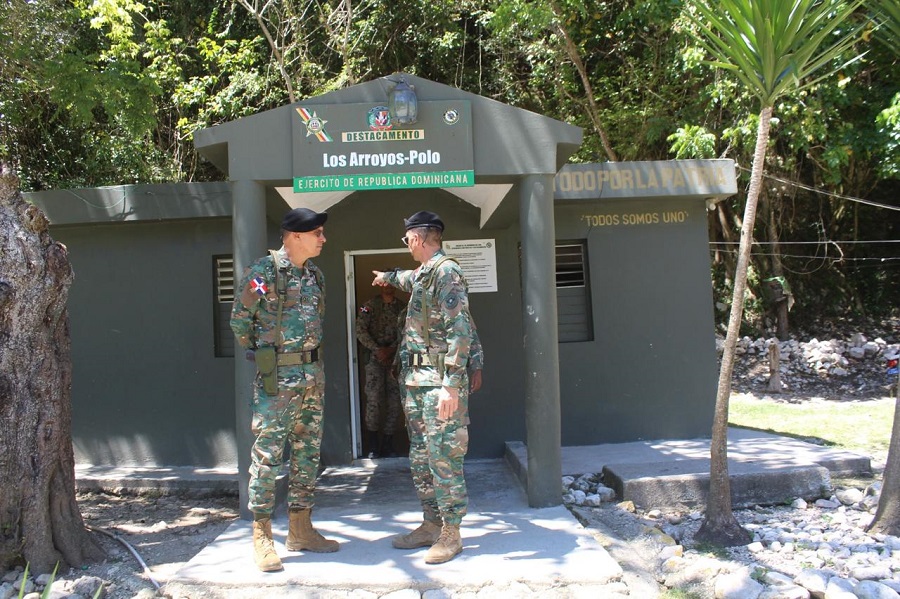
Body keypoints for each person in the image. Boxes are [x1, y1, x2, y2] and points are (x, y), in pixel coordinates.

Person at [230, 207, 339, 573]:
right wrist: (265, 354)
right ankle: (261, 535)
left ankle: (301, 529)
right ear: (295, 236)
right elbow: (239, 320)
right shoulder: (264, 272)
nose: (323, 239)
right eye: (317, 233)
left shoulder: (315, 276)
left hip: (312, 377)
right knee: (267, 457)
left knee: (308, 455)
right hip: (277, 382)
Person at [372, 210, 480, 565]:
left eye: (407, 240)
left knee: (444, 457)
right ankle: (431, 524)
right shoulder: (425, 273)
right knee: (421, 458)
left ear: (417, 239)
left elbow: (460, 329)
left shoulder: (447, 271)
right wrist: (385, 276)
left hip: (438, 384)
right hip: (416, 384)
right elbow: (405, 278)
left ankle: (452, 533)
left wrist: (451, 384)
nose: (407, 246)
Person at [355, 284, 405, 458]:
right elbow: (360, 330)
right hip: (374, 360)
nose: (388, 288)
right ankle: (373, 445)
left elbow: (407, 332)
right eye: (384, 284)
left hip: (395, 359)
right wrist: (377, 350)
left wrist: (390, 350)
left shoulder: (402, 307)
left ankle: (388, 444)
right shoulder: (369, 306)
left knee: (394, 401)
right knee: (373, 400)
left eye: (391, 284)